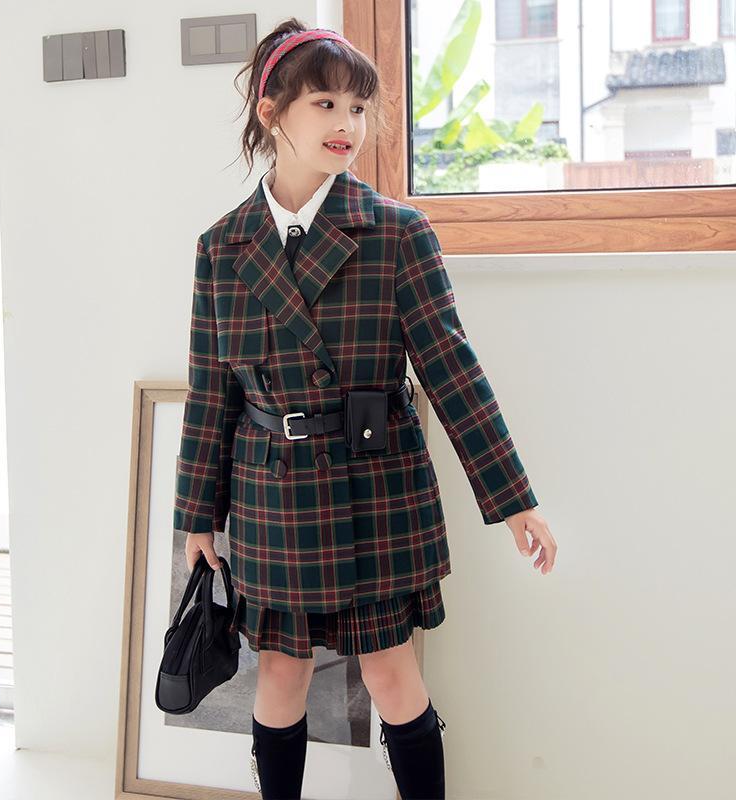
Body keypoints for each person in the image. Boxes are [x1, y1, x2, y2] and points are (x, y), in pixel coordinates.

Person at [174, 17, 558, 800]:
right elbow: (211, 391)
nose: (346, 123)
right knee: (279, 674)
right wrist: (196, 516)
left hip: (374, 490)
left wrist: (514, 500)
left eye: (357, 107)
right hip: (272, 492)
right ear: (271, 111)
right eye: (325, 103)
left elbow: (452, 371)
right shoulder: (223, 247)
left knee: (391, 673)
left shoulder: (397, 233)